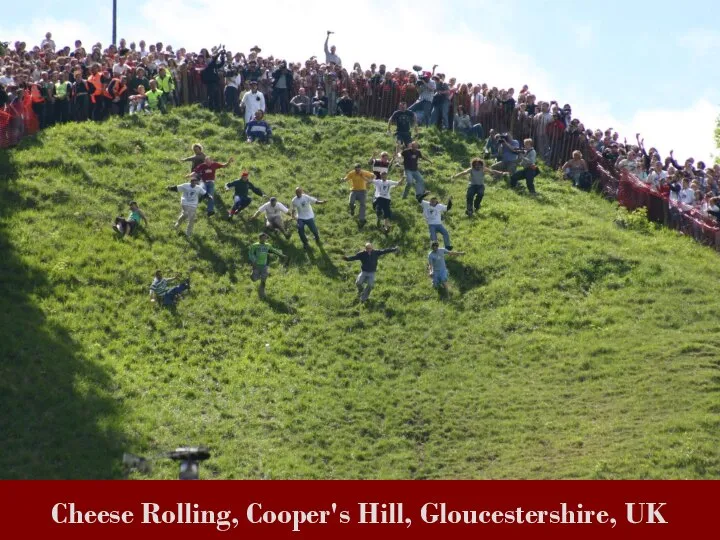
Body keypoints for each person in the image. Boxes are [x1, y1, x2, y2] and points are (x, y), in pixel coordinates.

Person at [249, 232, 287, 299]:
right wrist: (254, 260)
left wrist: (281, 255)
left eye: (265, 238)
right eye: (263, 238)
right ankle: (256, 276)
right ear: (259, 238)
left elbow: (274, 250)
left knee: (263, 281)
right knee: (253, 279)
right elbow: (251, 253)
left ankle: (262, 293)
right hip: (256, 265)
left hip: (264, 265)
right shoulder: (255, 245)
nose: (264, 239)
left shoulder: (268, 245)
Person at [168, 173, 207, 238]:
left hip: (193, 204)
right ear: (190, 181)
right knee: (186, 214)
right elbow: (177, 188)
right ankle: (177, 225)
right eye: (192, 182)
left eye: (195, 182)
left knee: (191, 219)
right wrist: (170, 188)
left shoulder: (198, 188)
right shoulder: (185, 185)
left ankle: (188, 234)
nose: (193, 183)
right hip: (185, 202)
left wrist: (209, 196)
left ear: (197, 182)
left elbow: (205, 194)